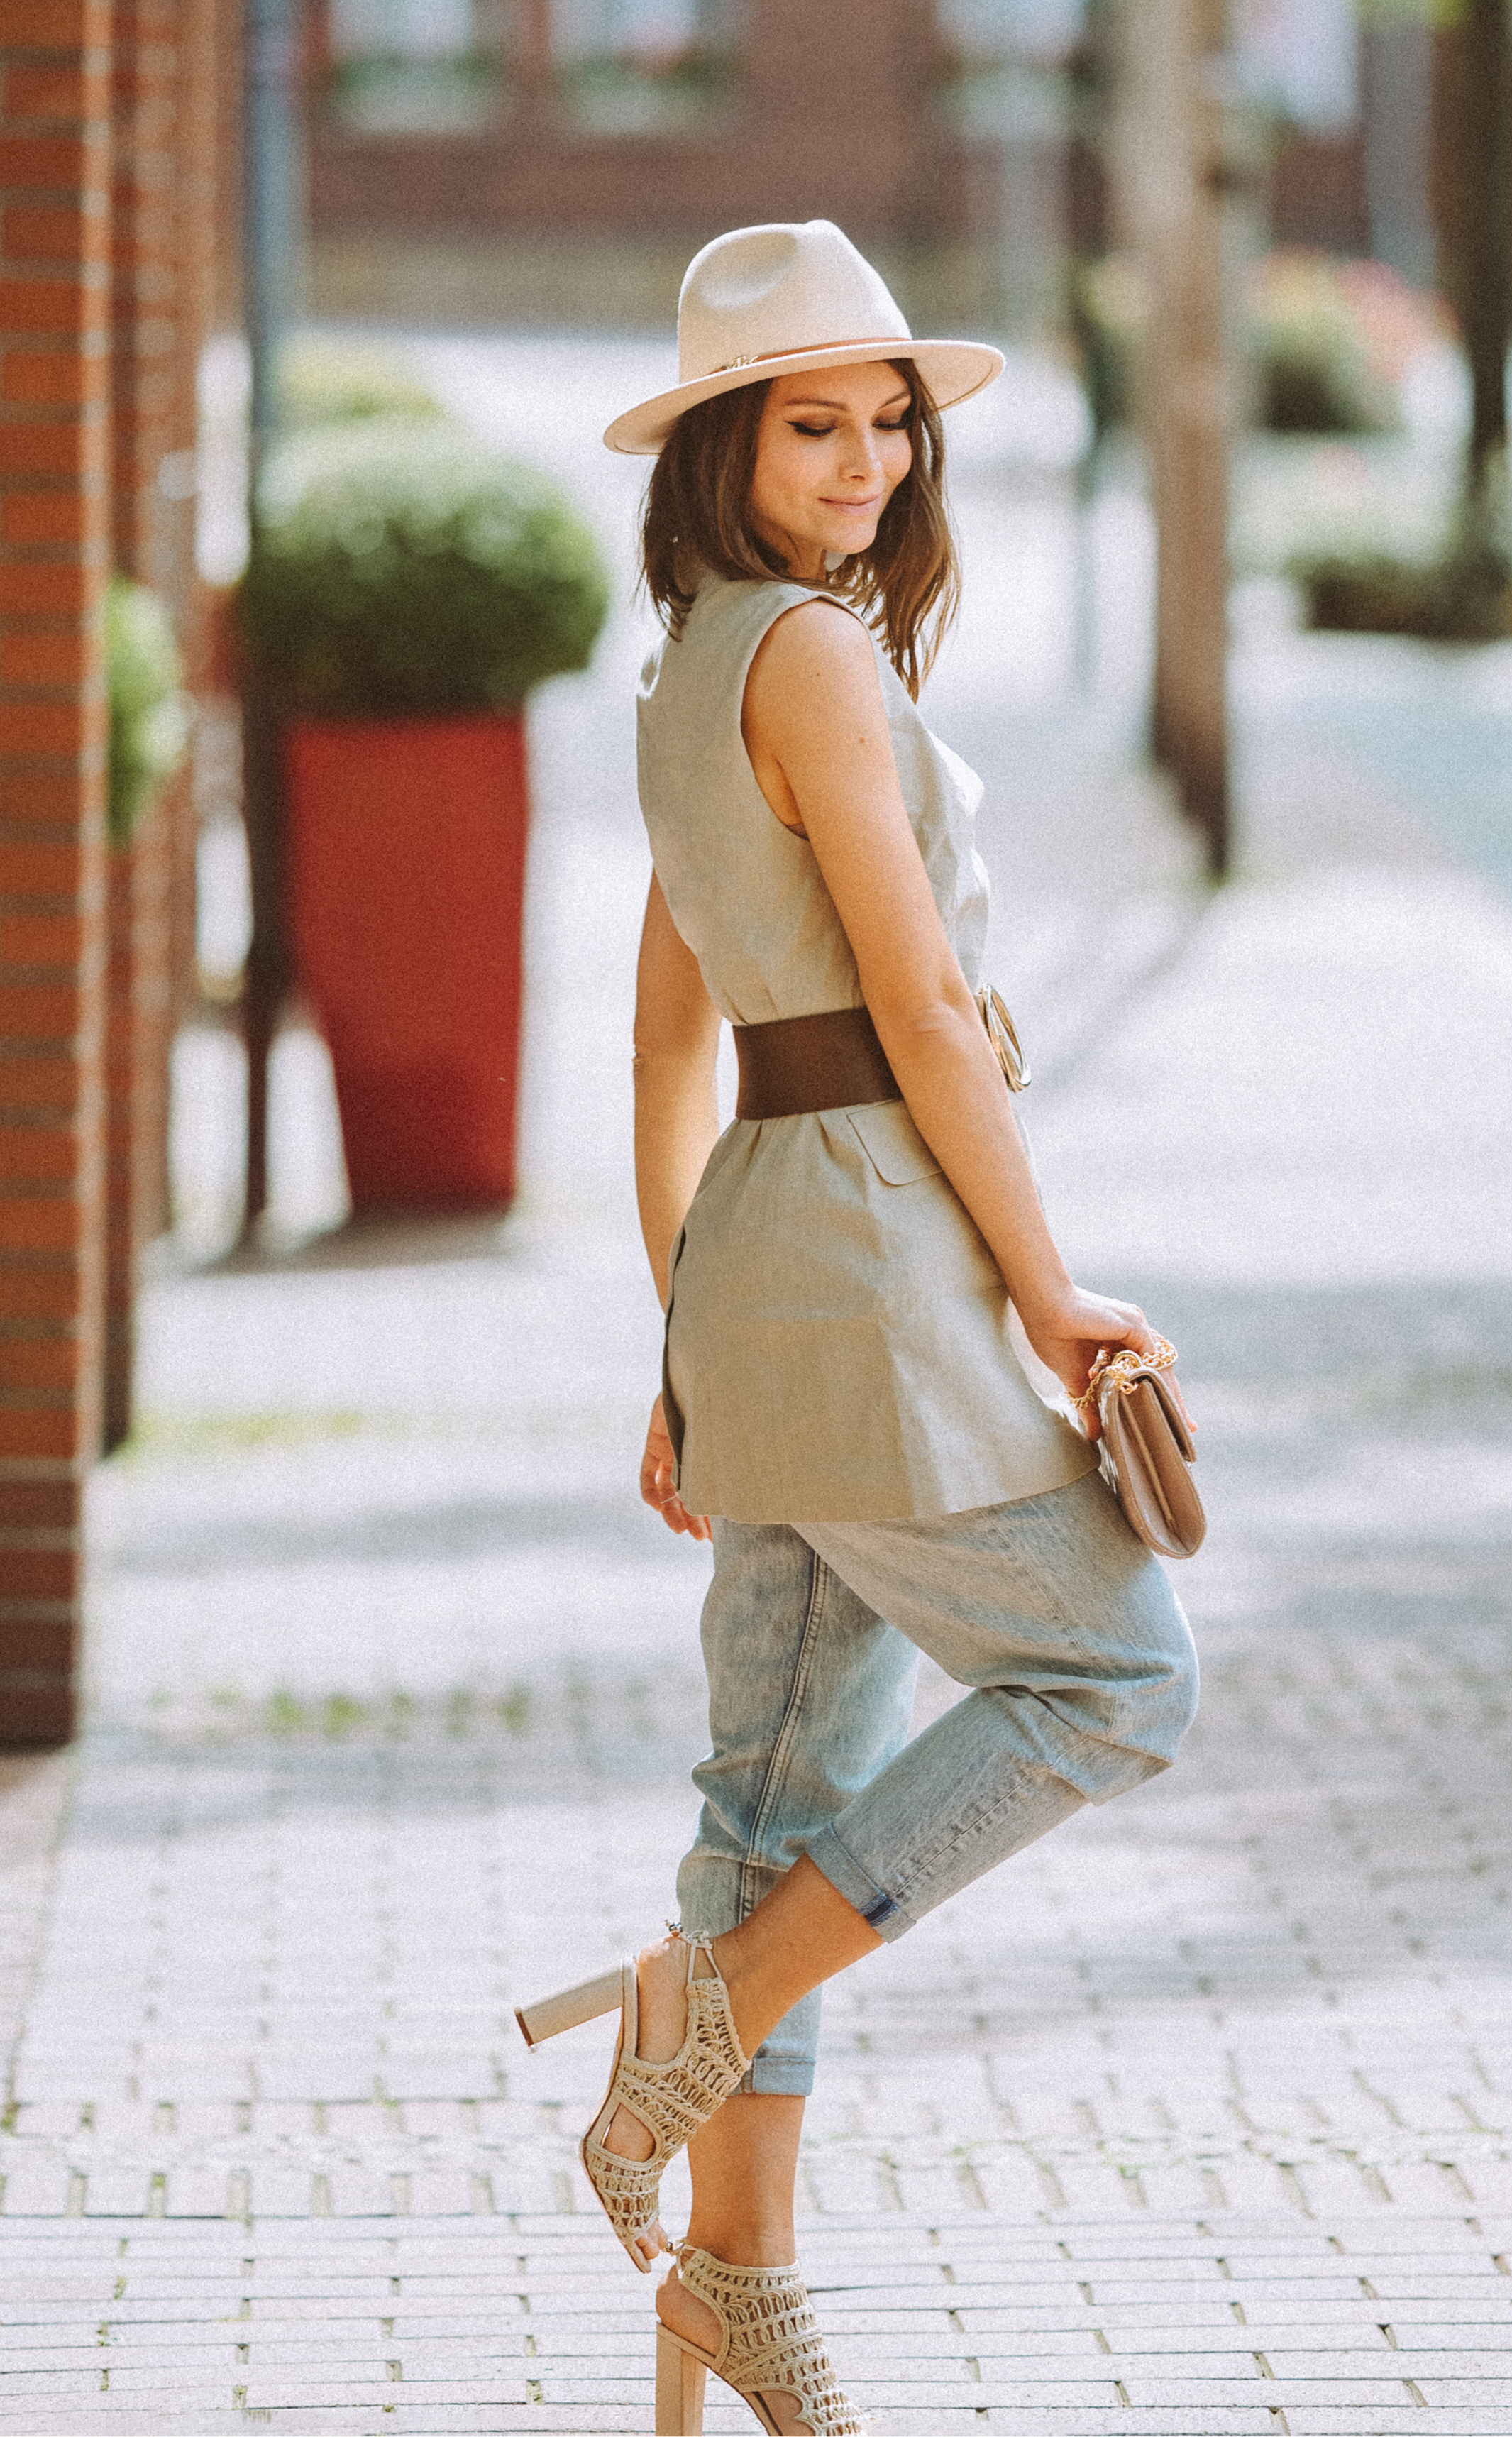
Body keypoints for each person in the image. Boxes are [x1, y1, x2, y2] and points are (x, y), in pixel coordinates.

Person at [514, 221, 1198, 2437]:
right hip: (883, 1244)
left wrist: (682, 1331)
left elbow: (656, 1053)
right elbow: (917, 1011)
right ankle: (691, 2014)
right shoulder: (808, 654)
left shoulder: (687, 668)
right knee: (1117, 1674)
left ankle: (735, 2316)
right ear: (723, 448)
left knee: (774, 1787)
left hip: (760, 1258)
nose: (873, 460)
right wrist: (1048, 1282)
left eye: (889, 418)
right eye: (816, 423)